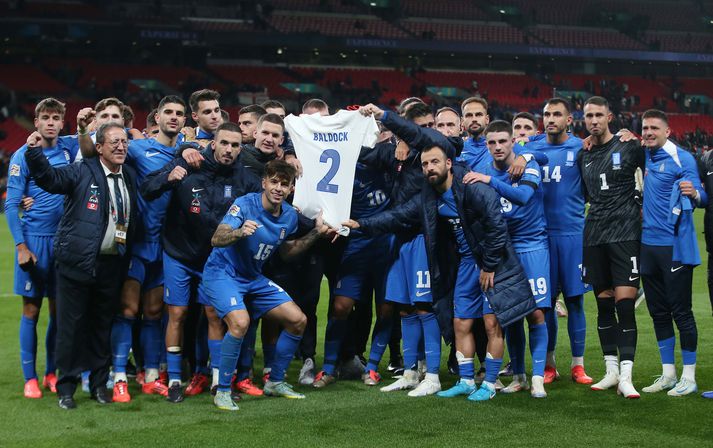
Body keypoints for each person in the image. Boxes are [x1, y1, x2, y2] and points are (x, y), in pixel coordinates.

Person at [346, 142, 535, 402]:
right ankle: (466, 381)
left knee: (492, 324)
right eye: (424, 164)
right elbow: (398, 216)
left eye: (434, 161)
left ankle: (490, 384)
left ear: (448, 164)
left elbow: (496, 226)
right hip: (466, 266)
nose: (429, 167)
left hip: (492, 264)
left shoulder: (473, 188)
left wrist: (489, 265)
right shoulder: (430, 196)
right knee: (461, 323)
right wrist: (360, 224)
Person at [140, 122, 262, 403]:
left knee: (213, 315)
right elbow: (147, 188)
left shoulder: (246, 179)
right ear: (213, 143)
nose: (229, 150)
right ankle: (173, 380)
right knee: (178, 314)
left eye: (235, 145)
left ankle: (219, 381)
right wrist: (169, 177)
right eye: (224, 143)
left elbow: (267, 206)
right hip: (179, 254)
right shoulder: (187, 163)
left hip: (216, 259)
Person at [202, 160, 331, 411]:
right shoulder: (244, 205)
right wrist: (238, 232)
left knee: (298, 320)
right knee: (240, 323)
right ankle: (223, 391)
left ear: (291, 188)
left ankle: (275, 381)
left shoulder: (290, 216)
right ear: (264, 182)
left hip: (253, 277)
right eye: (274, 182)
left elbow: (286, 252)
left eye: (285, 184)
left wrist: (316, 233)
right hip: (222, 274)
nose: (278, 188)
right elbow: (217, 238)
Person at [24, 122, 138, 409]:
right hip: (76, 263)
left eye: (124, 141)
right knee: (71, 328)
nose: (120, 146)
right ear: (98, 147)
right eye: (113, 142)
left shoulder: (130, 177)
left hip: (111, 264)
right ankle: (67, 387)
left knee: (102, 327)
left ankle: (99, 385)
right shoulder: (82, 170)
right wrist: (35, 153)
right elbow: (49, 179)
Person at [461, 120, 550, 399]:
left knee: (536, 314)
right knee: (509, 317)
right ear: (487, 145)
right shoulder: (481, 169)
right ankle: (520, 376)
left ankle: (538, 377)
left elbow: (523, 196)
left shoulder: (526, 164)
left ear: (513, 142)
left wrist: (492, 180)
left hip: (532, 246)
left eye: (503, 141)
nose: (497, 147)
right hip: (502, 250)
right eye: (492, 143)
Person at [110, 95, 187, 401]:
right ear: (156, 116)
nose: (173, 117)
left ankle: (151, 375)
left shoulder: (188, 152)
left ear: (184, 120)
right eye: (168, 112)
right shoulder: (138, 148)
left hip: (167, 245)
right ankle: (119, 376)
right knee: (128, 310)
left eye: (179, 113)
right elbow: (102, 157)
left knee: (154, 313)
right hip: (137, 242)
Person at [5, 98, 79, 399]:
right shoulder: (22, 155)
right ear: (35, 122)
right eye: (45, 117)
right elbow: (11, 204)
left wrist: (88, 120)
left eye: (56, 117)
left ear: (63, 122)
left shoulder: (70, 148)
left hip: (64, 242)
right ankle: (29, 378)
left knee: (59, 312)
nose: (50, 122)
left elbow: (95, 139)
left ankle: (51, 372)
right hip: (34, 240)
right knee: (32, 309)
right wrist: (21, 246)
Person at [578, 96, 644, 398]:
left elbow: (654, 161)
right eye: (589, 116)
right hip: (594, 236)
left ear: (610, 116)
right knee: (603, 304)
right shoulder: (584, 153)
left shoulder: (629, 146)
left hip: (625, 234)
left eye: (598, 115)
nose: (593, 121)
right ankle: (611, 370)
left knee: (624, 304)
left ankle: (627, 376)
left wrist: (639, 137)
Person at [638, 109, 706, 397]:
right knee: (658, 313)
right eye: (645, 128)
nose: (649, 132)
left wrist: (694, 193)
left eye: (654, 128)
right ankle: (668, 374)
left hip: (675, 247)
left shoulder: (682, 157)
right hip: (648, 246)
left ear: (668, 131)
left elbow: (703, 195)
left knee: (681, 312)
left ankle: (689, 377)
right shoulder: (647, 154)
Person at [525, 98, 592, 385]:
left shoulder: (580, 147)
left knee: (575, 301)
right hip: (541, 235)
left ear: (569, 120)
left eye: (557, 114)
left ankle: (578, 365)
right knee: (547, 303)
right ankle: (549, 363)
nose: (550, 119)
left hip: (573, 235)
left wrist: (626, 135)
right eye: (547, 114)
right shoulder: (530, 148)